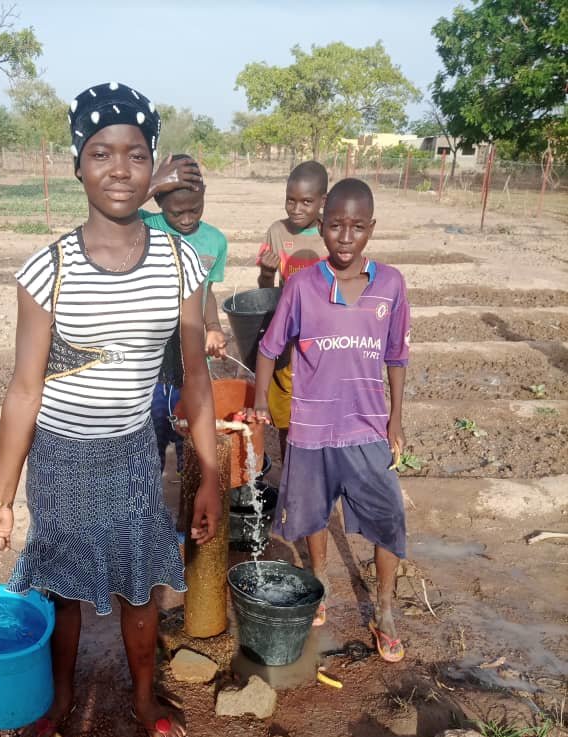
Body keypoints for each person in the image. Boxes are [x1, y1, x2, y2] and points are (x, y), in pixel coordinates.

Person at [0, 82, 220, 737]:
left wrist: (209, 476)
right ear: (78, 164)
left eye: (135, 155)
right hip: (60, 458)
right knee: (62, 589)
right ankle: (59, 699)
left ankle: (143, 699)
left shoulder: (179, 263)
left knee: (140, 586)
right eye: (101, 153)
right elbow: (24, 389)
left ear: (152, 166)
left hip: (135, 454)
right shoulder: (47, 270)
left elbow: (195, 376)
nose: (119, 169)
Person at [248, 178, 409, 660]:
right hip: (312, 431)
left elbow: (397, 357)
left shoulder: (391, 285)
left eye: (357, 227)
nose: (345, 236)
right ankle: (318, 583)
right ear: (321, 226)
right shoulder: (302, 286)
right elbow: (268, 348)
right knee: (315, 515)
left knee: (389, 520)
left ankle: (383, 612)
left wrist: (396, 418)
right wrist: (260, 402)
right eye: (336, 225)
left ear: (371, 230)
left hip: (366, 428)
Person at [140, 154, 228, 473]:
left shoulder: (215, 241)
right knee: (150, 439)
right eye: (178, 212)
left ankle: (187, 510)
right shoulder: (144, 225)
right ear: (159, 201)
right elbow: (112, 211)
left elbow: (205, 291)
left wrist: (214, 326)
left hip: (190, 358)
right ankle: (149, 511)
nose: (189, 219)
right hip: (149, 358)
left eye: (196, 209)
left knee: (189, 438)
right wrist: (155, 182)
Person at [256, 161, 329, 461]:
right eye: (290, 200)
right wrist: (265, 272)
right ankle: (290, 465)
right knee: (287, 405)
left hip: (324, 331)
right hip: (290, 331)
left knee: (319, 400)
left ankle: (319, 461)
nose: (296, 208)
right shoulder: (277, 230)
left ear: (322, 202)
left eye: (307, 202)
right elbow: (265, 290)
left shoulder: (330, 231)